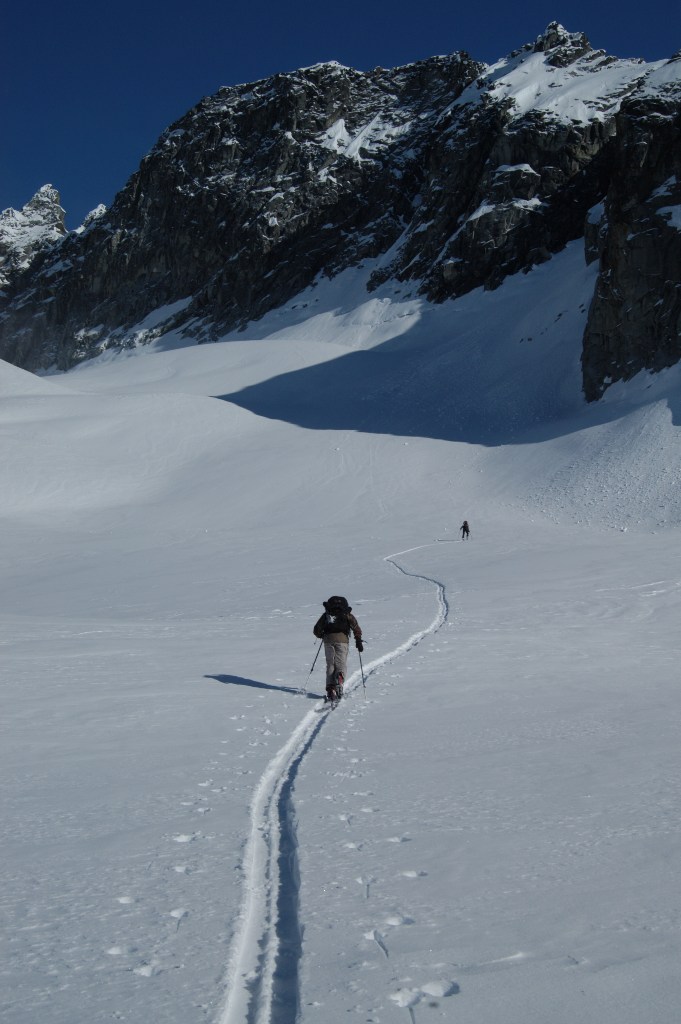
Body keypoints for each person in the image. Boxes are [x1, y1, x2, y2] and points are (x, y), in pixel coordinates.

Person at [313, 595, 363, 702]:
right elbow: (356, 627)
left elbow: (316, 629)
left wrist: (322, 635)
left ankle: (331, 688)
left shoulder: (327, 614)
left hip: (328, 640)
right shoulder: (347, 614)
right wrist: (358, 640)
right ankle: (339, 681)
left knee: (330, 664)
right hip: (342, 640)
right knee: (341, 663)